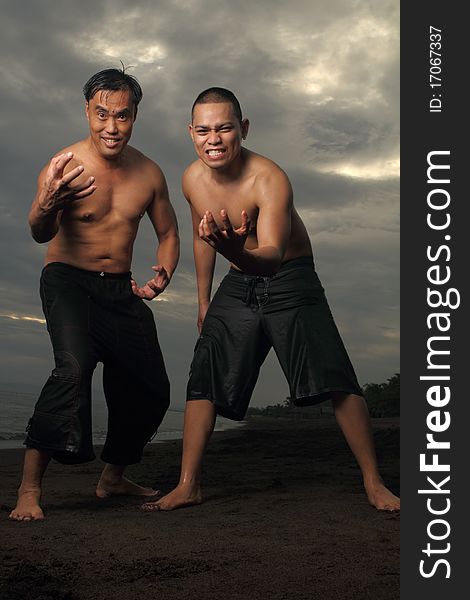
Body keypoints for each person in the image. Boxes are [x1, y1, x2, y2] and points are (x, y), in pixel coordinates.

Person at [142, 87, 399, 513]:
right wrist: (204, 300)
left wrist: (235, 252)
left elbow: (273, 257)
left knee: (335, 376)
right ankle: (188, 484)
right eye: (203, 130)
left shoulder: (270, 179)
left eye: (224, 128)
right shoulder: (191, 179)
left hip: (289, 276)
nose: (214, 139)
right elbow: (203, 238)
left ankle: (375, 482)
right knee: (204, 372)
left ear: (242, 129)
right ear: (191, 132)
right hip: (237, 279)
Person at [9, 68, 179, 521]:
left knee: (152, 388)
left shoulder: (149, 173)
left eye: (121, 116)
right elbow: (38, 231)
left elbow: (169, 232)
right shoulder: (63, 163)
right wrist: (47, 205)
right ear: (87, 110)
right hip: (67, 279)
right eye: (101, 114)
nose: (111, 126)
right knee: (73, 368)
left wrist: (164, 272)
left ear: (134, 116)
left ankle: (113, 477)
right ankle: (29, 489)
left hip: (120, 290)